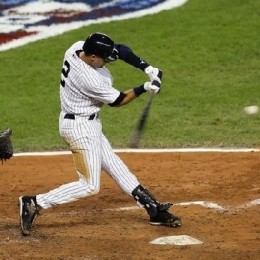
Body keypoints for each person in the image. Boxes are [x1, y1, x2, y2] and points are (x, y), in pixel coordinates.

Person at [19, 32, 181, 236]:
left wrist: (148, 68)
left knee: (116, 167)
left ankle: (153, 209)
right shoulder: (88, 78)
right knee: (89, 185)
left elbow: (121, 49)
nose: (107, 62)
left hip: (89, 123)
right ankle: (34, 202)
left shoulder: (77, 47)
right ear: (93, 57)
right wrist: (144, 87)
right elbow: (119, 101)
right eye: (104, 60)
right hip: (78, 129)